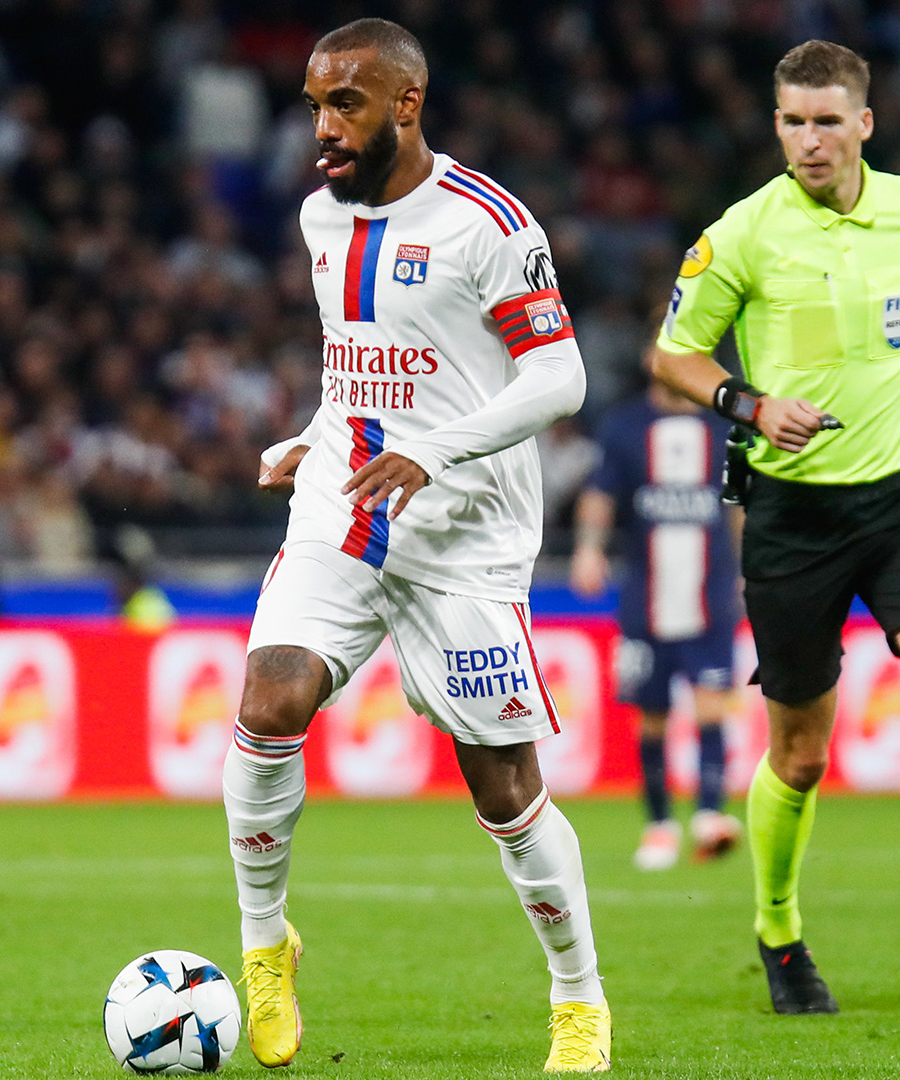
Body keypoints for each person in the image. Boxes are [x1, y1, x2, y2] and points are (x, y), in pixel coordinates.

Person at [232, 19, 606, 1072]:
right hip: (344, 506)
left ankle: (578, 998)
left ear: (406, 103)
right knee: (269, 701)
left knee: (503, 785)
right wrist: (311, 433)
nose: (322, 128)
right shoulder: (319, 219)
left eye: (345, 104)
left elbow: (558, 378)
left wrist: (435, 452)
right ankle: (266, 947)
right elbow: (358, 365)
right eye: (313, 105)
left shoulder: (487, 222)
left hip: (467, 536)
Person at [648, 41, 900, 1019]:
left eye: (825, 121)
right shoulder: (741, 235)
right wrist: (747, 402)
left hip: (899, 500)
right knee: (802, 756)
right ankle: (778, 935)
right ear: (776, 127)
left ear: (864, 123)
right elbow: (672, 354)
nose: (808, 141)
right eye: (791, 122)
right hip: (791, 518)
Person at [571, 357, 743, 870]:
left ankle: (710, 815)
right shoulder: (625, 425)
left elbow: (736, 503)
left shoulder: (724, 426)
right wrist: (587, 548)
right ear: (653, 361)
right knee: (651, 716)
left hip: (709, 591)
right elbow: (600, 493)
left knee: (712, 702)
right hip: (645, 593)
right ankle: (659, 825)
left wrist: (746, 567)